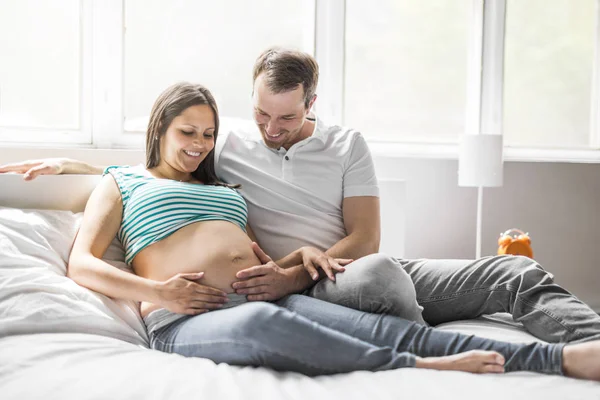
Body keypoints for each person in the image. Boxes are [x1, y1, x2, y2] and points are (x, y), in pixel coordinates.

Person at [2, 47, 600, 344]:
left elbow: (366, 240)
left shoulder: (346, 145)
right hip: (309, 280)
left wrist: (293, 277)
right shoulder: (225, 143)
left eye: (284, 118)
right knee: (382, 281)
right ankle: (441, 358)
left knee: (512, 274)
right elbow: (157, 165)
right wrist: (71, 167)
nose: (269, 128)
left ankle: (588, 345)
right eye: (261, 113)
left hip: (349, 267)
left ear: (311, 103)